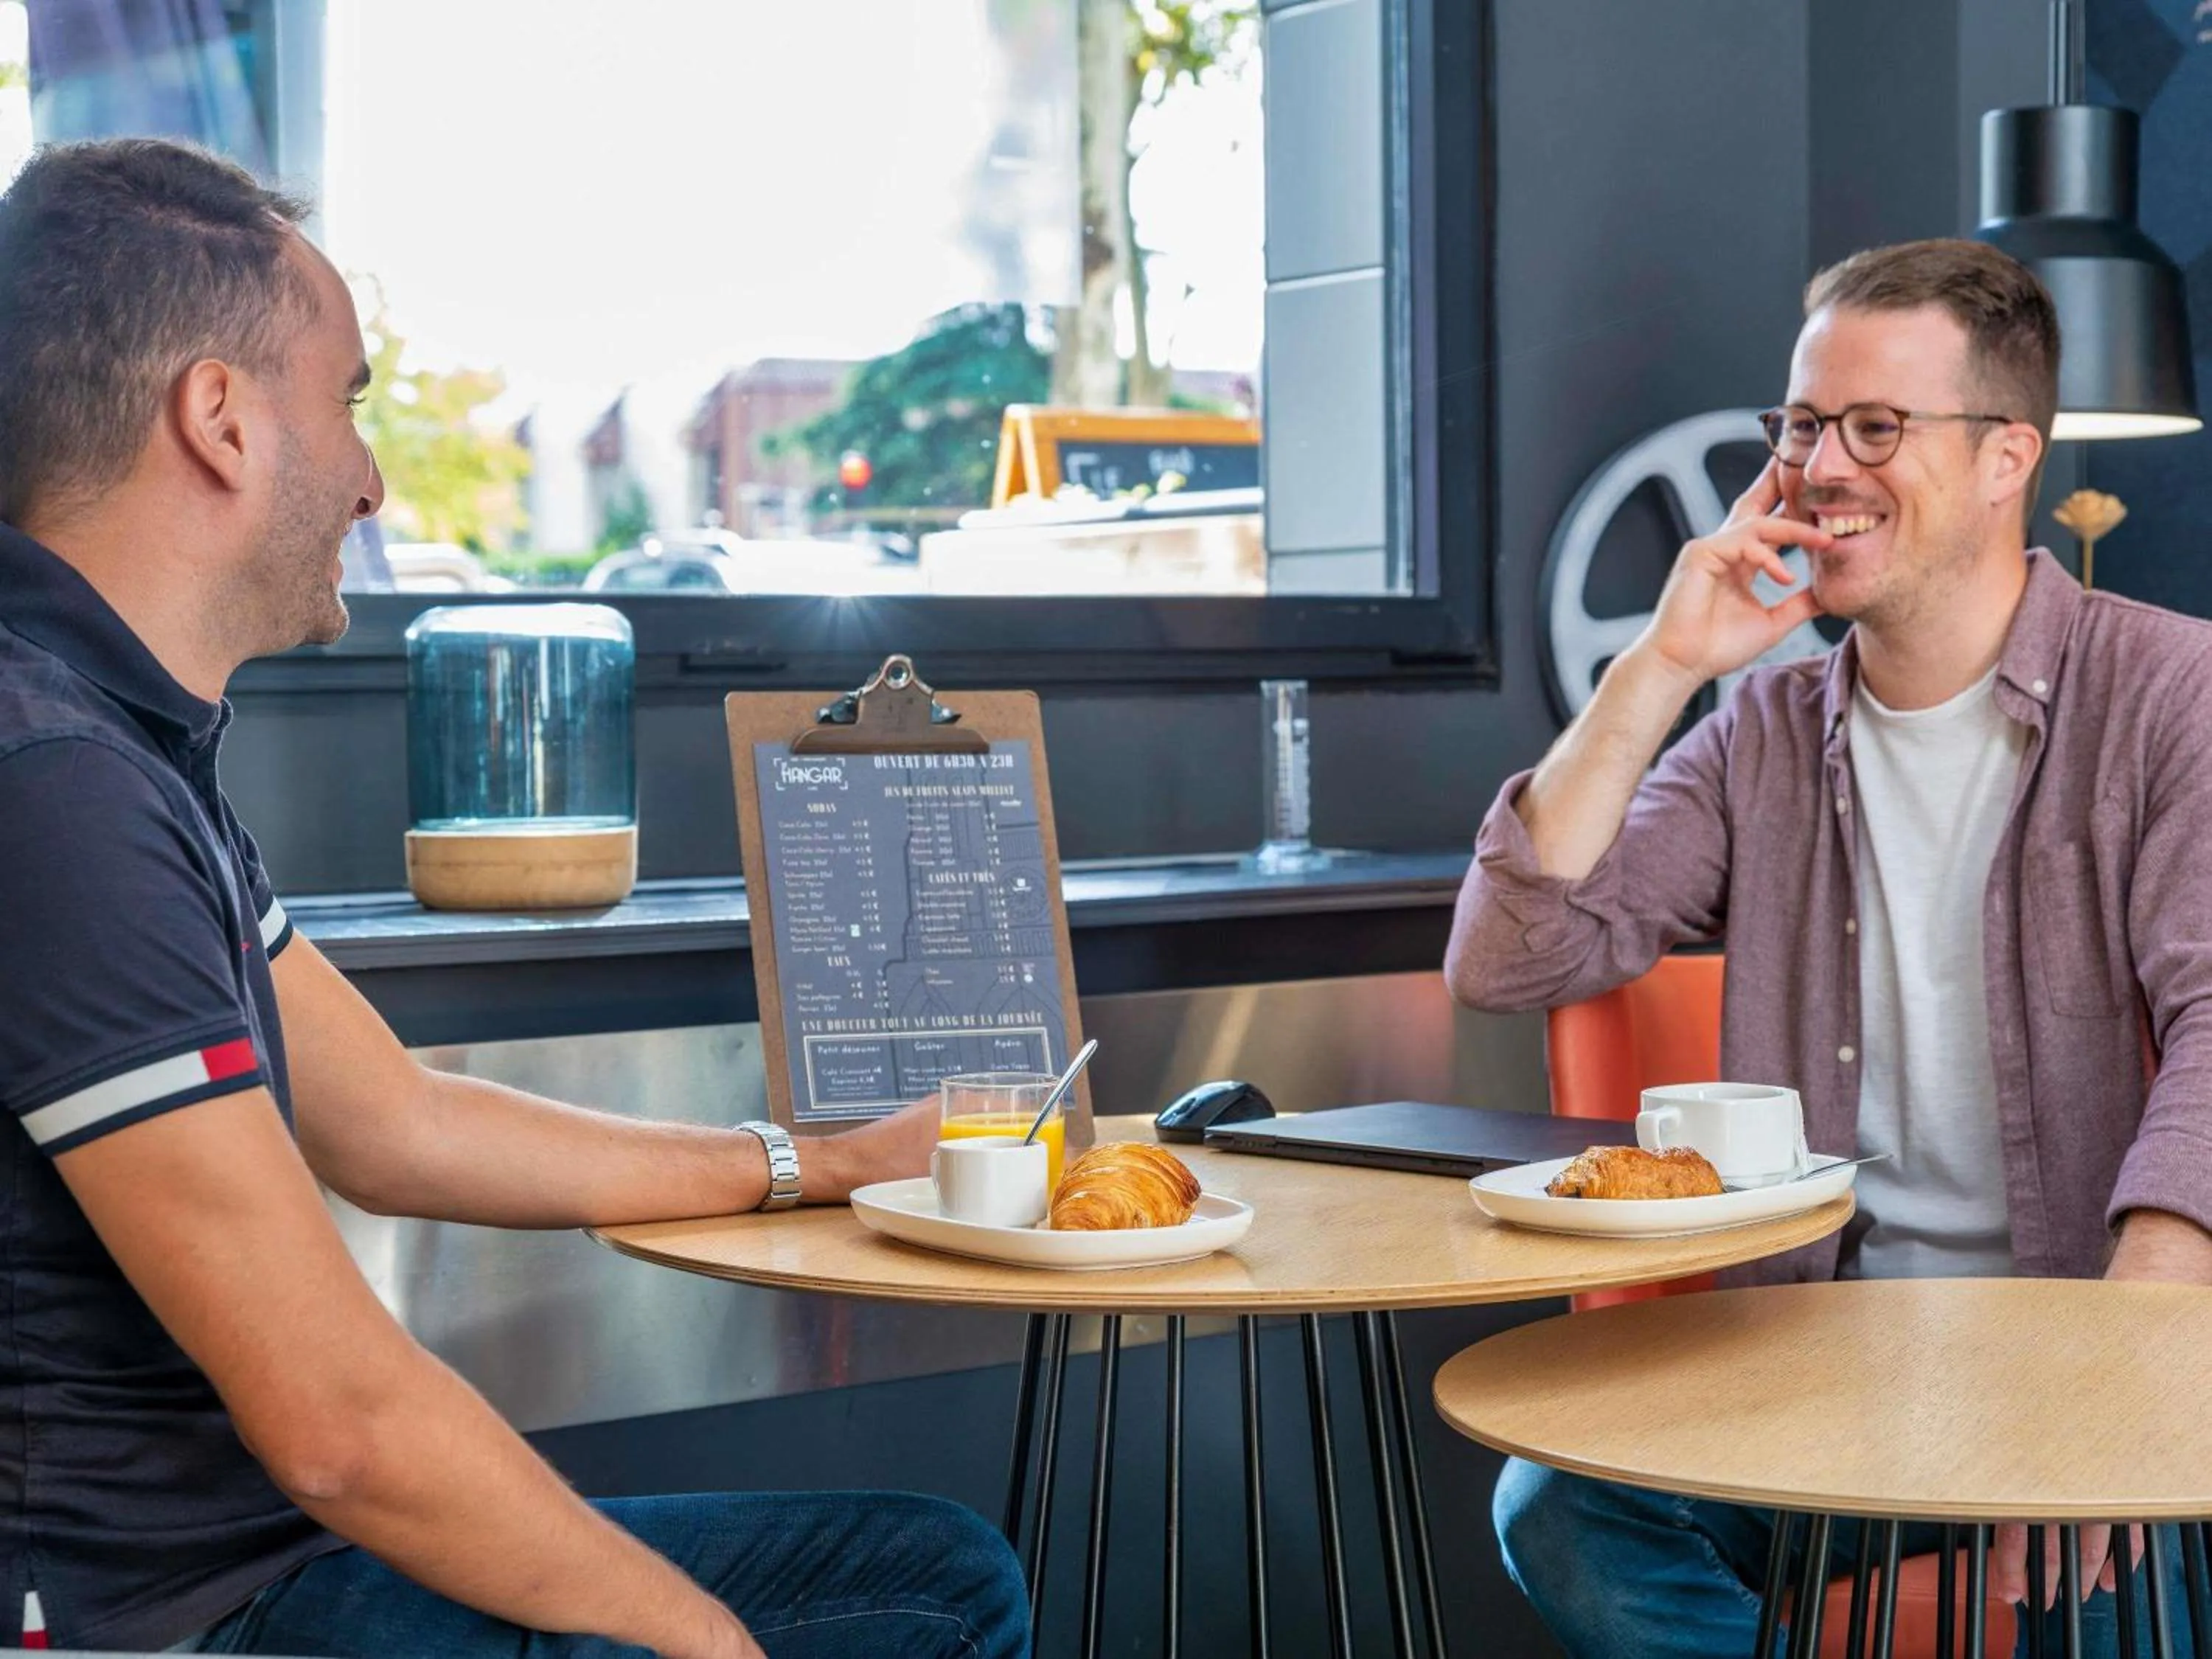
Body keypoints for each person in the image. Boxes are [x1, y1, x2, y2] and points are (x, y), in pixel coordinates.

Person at [0, 139, 1026, 1658]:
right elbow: (342, 1427)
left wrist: (807, 1160)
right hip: (157, 1620)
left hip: (232, 1562)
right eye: (347, 400)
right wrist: (705, 1647)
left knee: (935, 1578)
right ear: (219, 420)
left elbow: (394, 1122)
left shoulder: (121, 740)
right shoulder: (57, 782)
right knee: (908, 1611)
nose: (372, 476)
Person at [1447, 237, 2212, 1656]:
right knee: (1557, 1504)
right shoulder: (1763, 737)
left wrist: (2130, 1374)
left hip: (2075, 1354)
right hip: (1830, 1356)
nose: (1822, 466)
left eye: (1876, 426)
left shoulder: (2172, 694)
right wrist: (1665, 662)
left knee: (2126, 1605)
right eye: (1802, 425)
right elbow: (1510, 956)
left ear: (2005, 460)